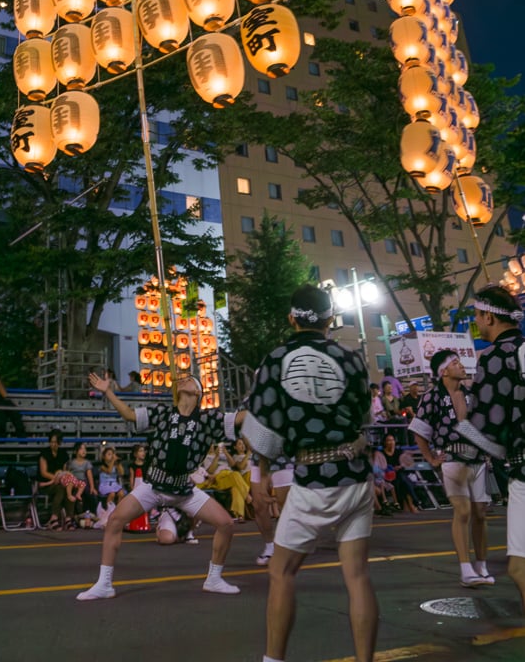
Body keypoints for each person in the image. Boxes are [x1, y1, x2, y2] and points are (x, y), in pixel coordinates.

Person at [242, 283, 377, 662]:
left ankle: (273, 659)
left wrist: (264, 471)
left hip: (313, 476)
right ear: (330, 318)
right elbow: (365, 414)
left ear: (292, 318)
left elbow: (263, 427)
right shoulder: (351, 358)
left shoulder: (276, 358)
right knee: (357, 576)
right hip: (355, 474)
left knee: (282, 572)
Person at [76, 371, 245, 600]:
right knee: (115, 520)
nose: (183, 379)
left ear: (197, 392)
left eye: (190, 380)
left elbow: (238, 418)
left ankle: (214, 578)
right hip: (154, 485)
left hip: (184, 490)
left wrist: (264, 401)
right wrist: (108, 391)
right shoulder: (163, 412)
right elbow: (129, 415)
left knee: (226, 524)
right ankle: (104, 583)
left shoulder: (208, 419)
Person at [456, 284, 525, 609]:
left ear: (489, 317)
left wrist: (465, 458)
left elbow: (489, 416)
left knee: (520, 566)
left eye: (477, 316)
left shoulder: (496, 356)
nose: (477, 323)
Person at [409, 347, 492, 586]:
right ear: (443, 371)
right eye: (455, 363)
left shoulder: (472, 393)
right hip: (452, 459)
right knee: (463, 511)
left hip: (477, 460)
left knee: (480, 513)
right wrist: (432, 459)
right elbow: (419, 432)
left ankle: (482, 566)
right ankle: (466, 569)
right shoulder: (432, 397)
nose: (460, 365)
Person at [38, 430, 83, 531]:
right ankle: (54, 518)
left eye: (55, 442)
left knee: (69, 487)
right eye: (51, 441)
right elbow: (43, 472)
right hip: (47, 483)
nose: (53, 444)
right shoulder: (44, 454)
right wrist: (56, 477)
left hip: (60, 481)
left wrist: (62, 476)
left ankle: (68, 518)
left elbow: (65, 469)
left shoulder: (63, 454)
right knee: (60, 488)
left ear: (59, 442)